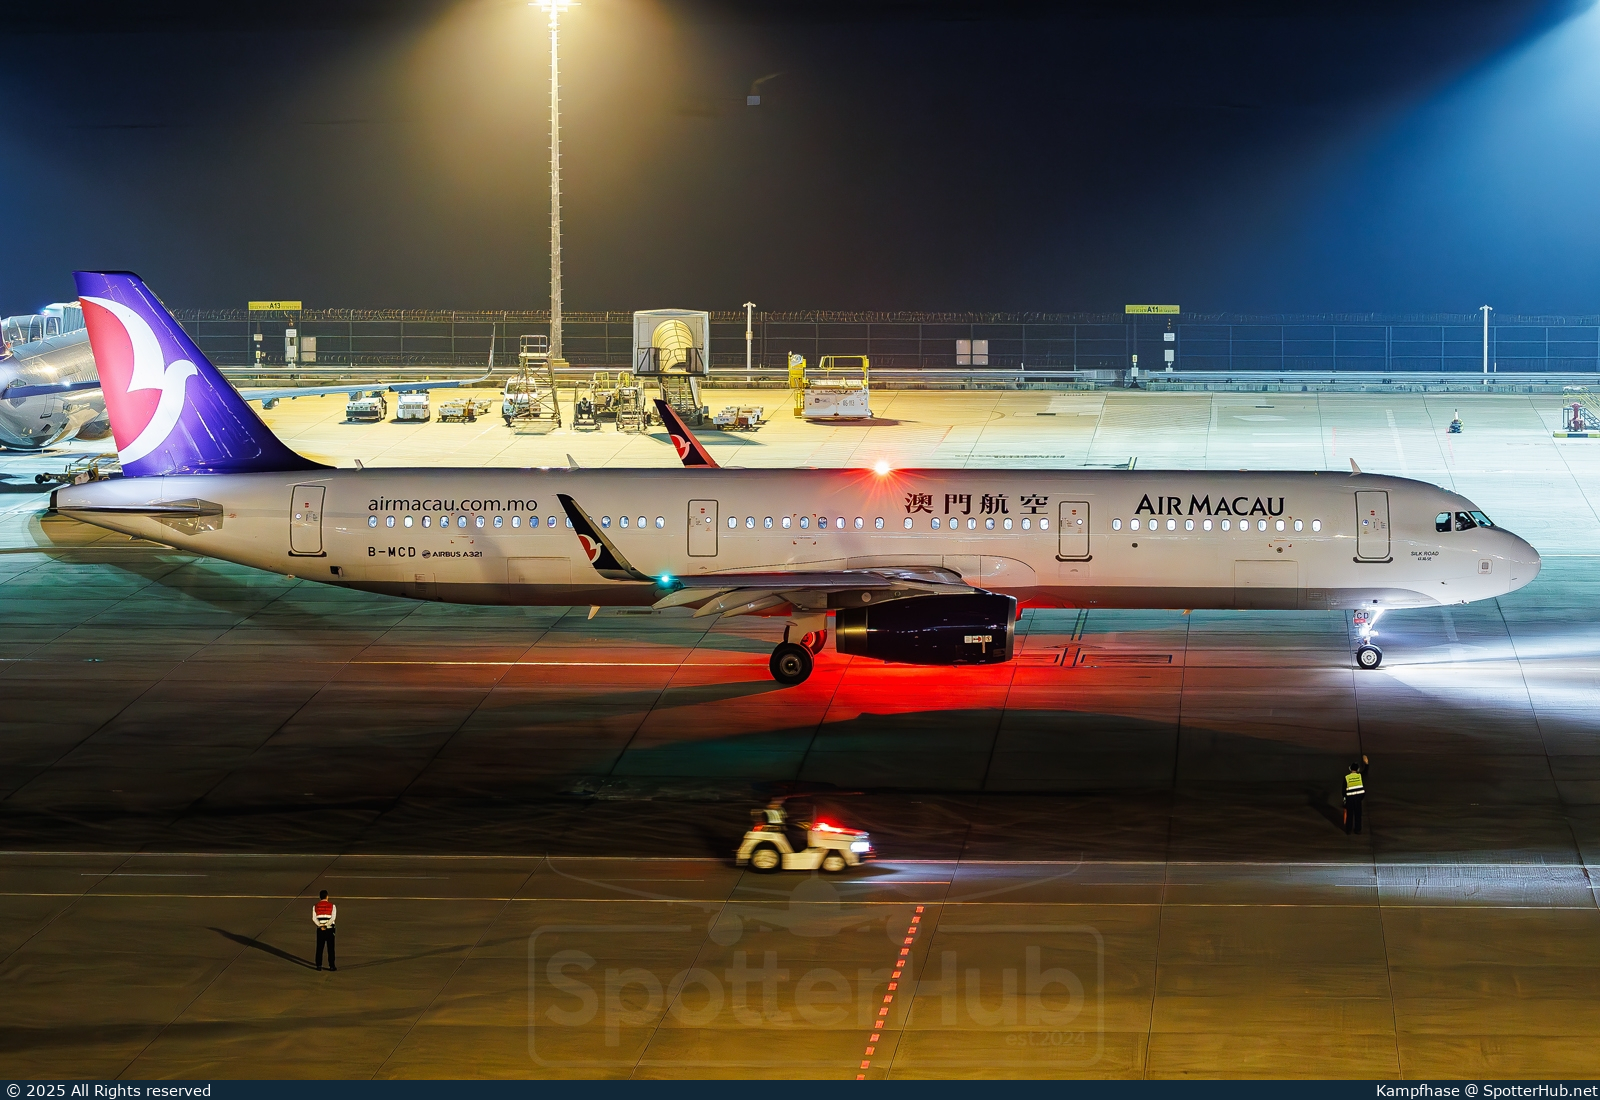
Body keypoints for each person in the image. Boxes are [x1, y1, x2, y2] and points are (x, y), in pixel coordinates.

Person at [313, 889, 337, 971]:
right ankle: (332, 965)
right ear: (327, 896)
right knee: (330, 948)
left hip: (320, 930)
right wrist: (326, 925)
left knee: (319, 948)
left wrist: (320, 925)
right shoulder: (332, 906)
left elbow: (314, 918)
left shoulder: (315, 906)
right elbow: (333, 918)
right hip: (330, 929)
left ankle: (318, 965)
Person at [1343, 761, 1366, 835]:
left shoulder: (1346, 777)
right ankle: (1357, 829)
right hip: (1358, 799)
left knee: (1350, 815)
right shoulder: (1360, 776)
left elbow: (1343, 790)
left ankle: (1348, 830)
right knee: (1358, 815)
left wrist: (1344, 799)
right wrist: (1367, 764)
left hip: (1349, 799)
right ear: (1358, 769)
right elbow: (1366, 772)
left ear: (1350, 769)